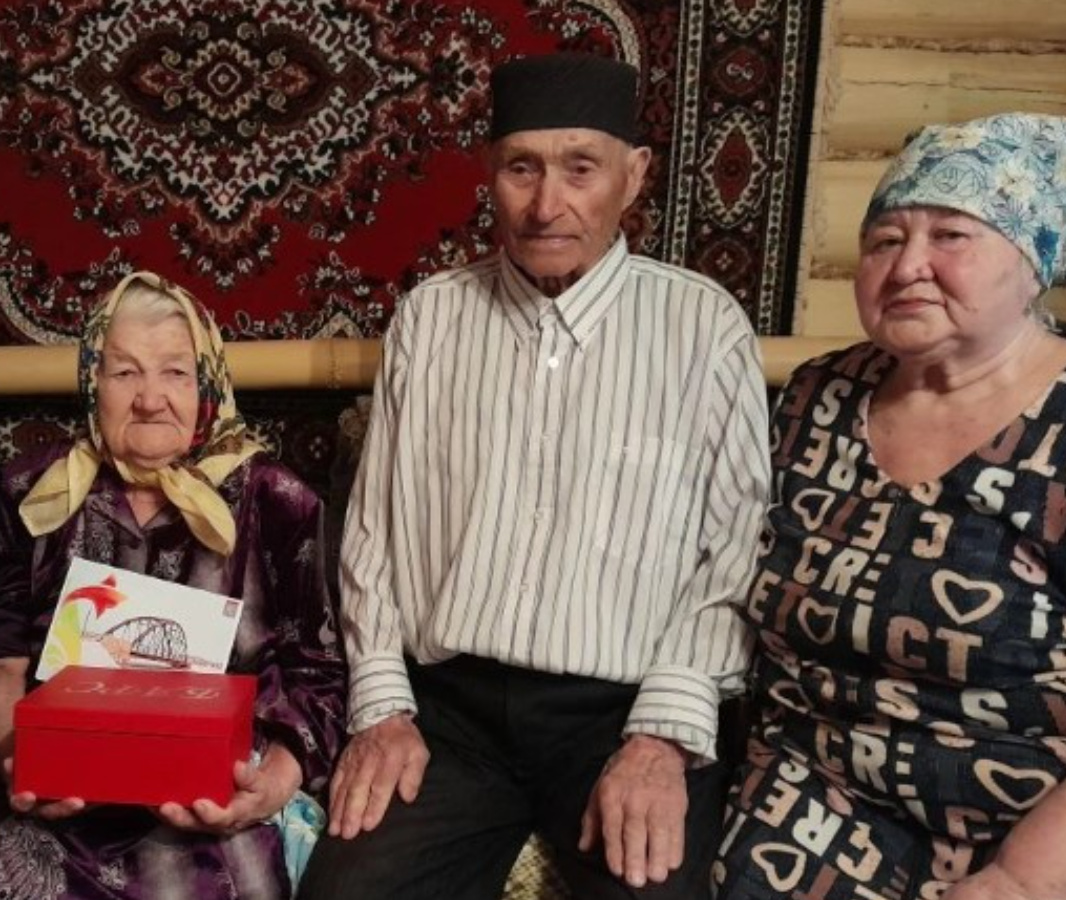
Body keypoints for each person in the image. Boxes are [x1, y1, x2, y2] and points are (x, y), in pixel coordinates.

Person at [299, 52, 769, 899]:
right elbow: (373, 532)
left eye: (580, 169)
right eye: (522, 168)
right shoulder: (432, 317)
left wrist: (661, 741)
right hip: (451, 716)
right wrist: (384, 707)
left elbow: (736, 549)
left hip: (620, 715)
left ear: (633, 176)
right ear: (491, 176)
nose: (547, 204)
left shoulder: (703, 327)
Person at [715, 112, 1066, 900]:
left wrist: (1019, 881)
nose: (908, 265)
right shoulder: (817, 396)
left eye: (951, 236)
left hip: (1044, 843)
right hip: (809, 811)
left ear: (1034, 262)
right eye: (884, 240)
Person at [0, 271, 347, 899]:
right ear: (92, 380)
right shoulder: (35, 491)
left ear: (209, 384)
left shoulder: (275, 500)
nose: (150, 399)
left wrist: (269, 787)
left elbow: (319, 673)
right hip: (66, 805)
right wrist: (18, 758)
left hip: (220, 802)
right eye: (124, 372)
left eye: (176, 372)